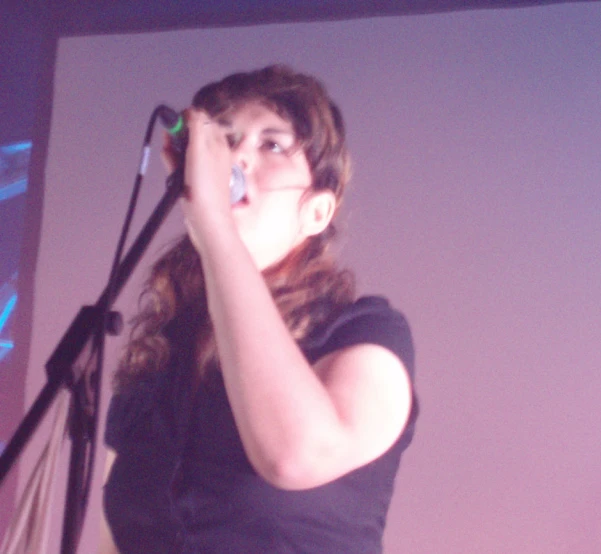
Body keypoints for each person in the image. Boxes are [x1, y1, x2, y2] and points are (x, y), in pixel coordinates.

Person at [100, 65, 418, 553]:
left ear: (317, 212)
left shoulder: (366, 334)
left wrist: (214, 225)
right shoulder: (163, 354)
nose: (237, 157)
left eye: (271, 145)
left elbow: (295, 457)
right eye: (225, 141)